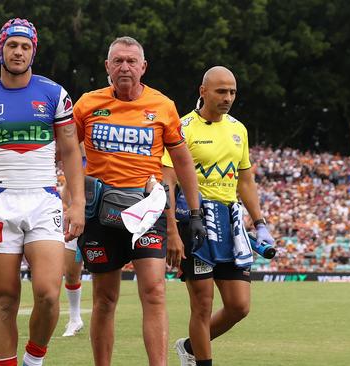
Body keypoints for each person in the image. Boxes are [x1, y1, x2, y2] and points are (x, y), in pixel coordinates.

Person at [0, 18, 85, 366]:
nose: (18, 51)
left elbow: (72, 152)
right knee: (5, 300)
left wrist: (77, 202)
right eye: (12, 45)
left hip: (43, 200)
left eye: (25, 46)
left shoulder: (54, 95)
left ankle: (34, 359)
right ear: (1, 49)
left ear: (34, 51)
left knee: (47, 293)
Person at [73, 36, 204, 366]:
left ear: (143, 67)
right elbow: (65, 150)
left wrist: (196, 210)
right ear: (107, 67)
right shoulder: (87, 104)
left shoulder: (163, 105)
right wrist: (70, 197)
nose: (125, 67)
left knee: (154, 292)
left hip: (147, 209)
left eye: (131, 61)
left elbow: (183, 160)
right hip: (99, 212)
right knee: (104, 298)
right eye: (117, 61)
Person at [163, 66, 275, 366]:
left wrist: (260, 223)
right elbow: (168, 181)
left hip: (230, 221)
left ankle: (188, 346)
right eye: (221, 91)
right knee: (202, 305)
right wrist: (172, 228)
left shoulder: (239, 129)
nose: (228, 98)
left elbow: (246, 180)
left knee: (239, 306)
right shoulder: (182, 127)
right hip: (195, 221)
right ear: (203, 91)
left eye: (232, 92)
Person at [60, 179, 84, 337]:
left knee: (104, 276)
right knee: (70, 273)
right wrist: (68, 209)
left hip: (101, 218)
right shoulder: (79, 163)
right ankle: (75, 318)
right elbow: (65, 193)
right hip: (77, 222)